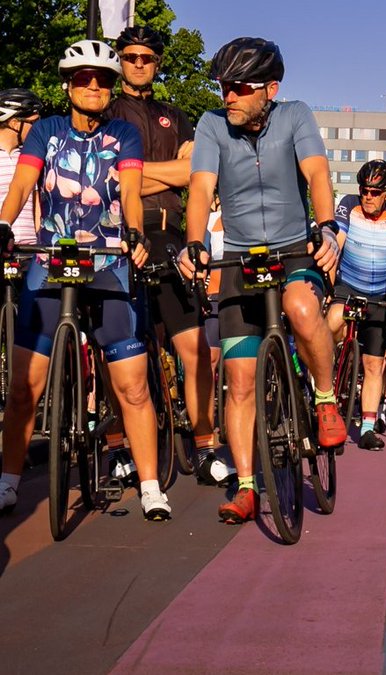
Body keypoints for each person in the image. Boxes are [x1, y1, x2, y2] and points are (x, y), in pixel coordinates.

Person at [177, 37, 345, 525]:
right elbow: (201, 187)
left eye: (239, 87)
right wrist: (194, 243)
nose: (227, 95)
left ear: (270, 89)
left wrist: (327, 227)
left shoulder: (296, 116)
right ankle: (248, 486)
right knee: (241, 380)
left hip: (294, 250)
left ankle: (326, 399)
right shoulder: (212, 125)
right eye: (223, 86)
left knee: (301, 307)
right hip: (239, 261)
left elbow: (316, 174)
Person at [0, 40, 163, 519]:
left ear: (112, 87)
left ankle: (152, 485)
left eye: (103, 79)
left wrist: (133, 232)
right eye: (82, 78)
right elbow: (23, 184)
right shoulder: (45, 131)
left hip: (109, 261)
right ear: (67, 84)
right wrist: (5, 224)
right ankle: (8, 481)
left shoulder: (125, 133)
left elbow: (131, 191)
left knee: (132, 386)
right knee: (23, 387)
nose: (93, 86)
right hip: (50, 258)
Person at [107, 25, 228, 487]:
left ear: (157, 62)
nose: (139, 63)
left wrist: (135, 174)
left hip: (171, 236)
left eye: (148, 57)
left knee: (194, 348)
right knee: (119, 351)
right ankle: (118, 444)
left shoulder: (176, 117)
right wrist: (168, 175)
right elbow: (113, 184)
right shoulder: (107, 113)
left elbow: (196, 177)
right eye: (132, 56)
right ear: (121, 59)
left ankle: (204, 445)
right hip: (120, 237)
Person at [327, 160, 386, 450]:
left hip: (378, 293)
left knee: (374, 364)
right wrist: (328, 285)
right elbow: (337, 241)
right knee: (332, 321)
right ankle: (323, 389)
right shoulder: (349, 205)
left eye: (375, 192)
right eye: (365, 190)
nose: (368, 197)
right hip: (347, 286)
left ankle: (366, 428)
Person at [0, 89, 43, 247]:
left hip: (29, 251)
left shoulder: (28, 157)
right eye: (34, 123)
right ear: (14, 123)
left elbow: (36, 205)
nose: (38, 128)